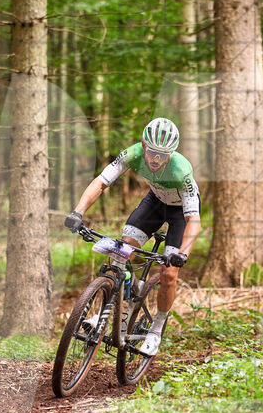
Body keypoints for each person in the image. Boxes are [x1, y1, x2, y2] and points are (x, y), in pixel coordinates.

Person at [64, 117, 201, 356]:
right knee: (121, 252)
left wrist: (183, 254)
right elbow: (100, 183)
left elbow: (194, 220)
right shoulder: (132, 154)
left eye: (163, 155)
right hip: (155, 203)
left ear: (171, 154)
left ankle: (156, 330)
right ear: (144, 145)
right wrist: (78, 212)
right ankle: (106, 311)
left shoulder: (181, 170)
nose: (156, 159)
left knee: (169, 274)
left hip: (181, 213)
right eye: (152, 152)